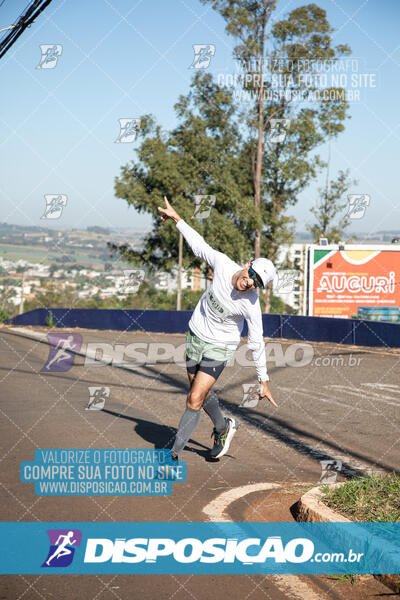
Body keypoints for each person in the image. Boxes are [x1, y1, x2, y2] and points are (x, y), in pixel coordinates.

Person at [158, 197, 278, 460]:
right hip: (195, 336)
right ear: (247, 265)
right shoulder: (223, 264)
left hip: (219, 347)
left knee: (193, 399)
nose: (250, 284)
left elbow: (256, 341)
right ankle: (223, 427)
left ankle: (173, 453)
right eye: (251, 276)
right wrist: (178, 220)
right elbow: (199, 246)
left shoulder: (251, 304)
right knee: (198, 393)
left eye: (256, 283)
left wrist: (263, 380)